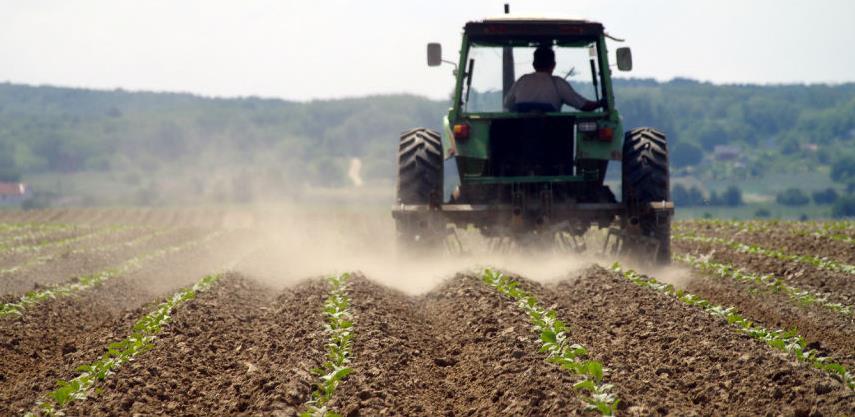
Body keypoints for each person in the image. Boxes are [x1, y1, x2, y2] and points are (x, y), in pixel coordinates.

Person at [503, 46, 604, 112]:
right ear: (553, 65)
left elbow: (507, 103)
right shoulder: (558, 83)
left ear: (534, 65)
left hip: (519, 137)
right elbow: (584, 106)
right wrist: (601, 103)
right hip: (551, 136)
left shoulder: (522, 80)